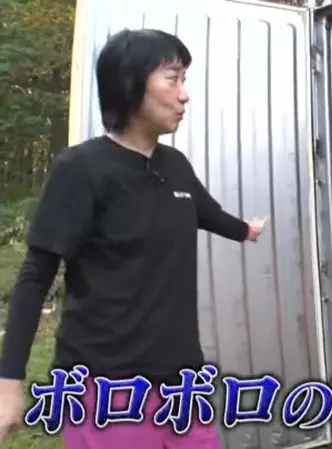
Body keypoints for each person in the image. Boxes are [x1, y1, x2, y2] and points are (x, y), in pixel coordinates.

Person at [0, 29, 264, 448]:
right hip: (108, 390)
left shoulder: (175, 166)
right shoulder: (82, 169)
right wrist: (8, 383)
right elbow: (35, 276)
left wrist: (245, 230)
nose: (184, 94)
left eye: (184, 81)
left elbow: (205, 212)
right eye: (173, 79)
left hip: (182, 387)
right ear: (130, 83)